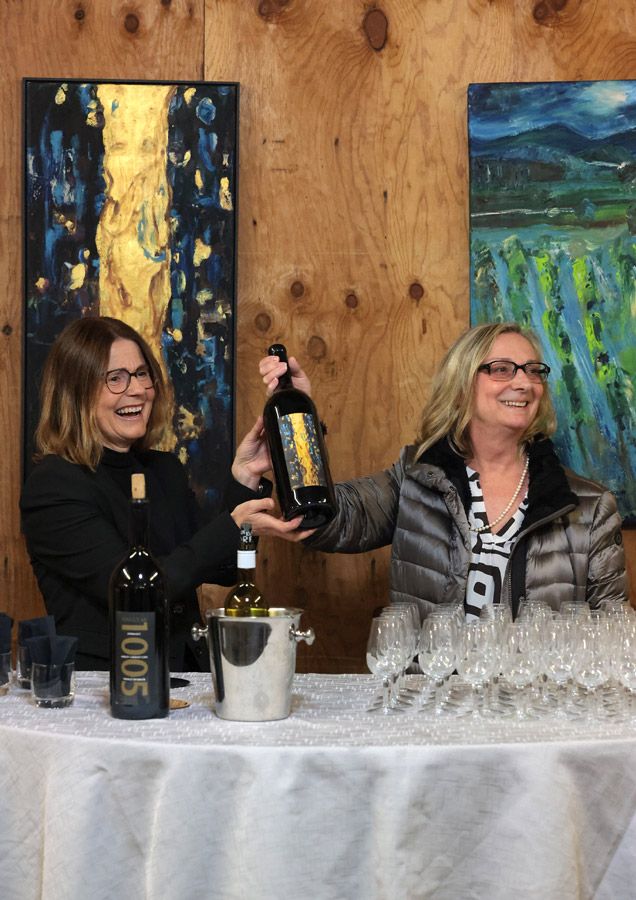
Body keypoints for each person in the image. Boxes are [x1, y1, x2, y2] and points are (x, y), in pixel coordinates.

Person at [259, 322, 629, 620]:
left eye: (534, 371)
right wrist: (300, 429)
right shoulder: (416, 478)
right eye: (502, 369)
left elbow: (613, 635)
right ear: (462, 383)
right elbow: (327, 520)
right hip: (432, 690)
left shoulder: (590, 507)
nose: (523, 383)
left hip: (538, 694)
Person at [20, 316, 299, 671]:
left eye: (141, 373)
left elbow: (225, 566)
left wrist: (245, 477)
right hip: (112, 685)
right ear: (75, 393)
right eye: (115, 378)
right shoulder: (54, 485)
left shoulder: (163, 469)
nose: (137, 389)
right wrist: (232, 525)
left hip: (186, 679)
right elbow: (137, 592)